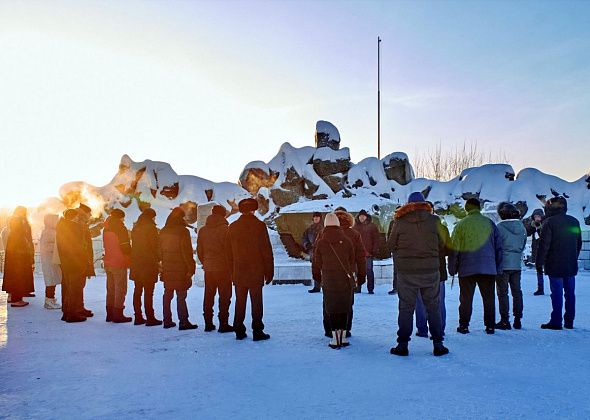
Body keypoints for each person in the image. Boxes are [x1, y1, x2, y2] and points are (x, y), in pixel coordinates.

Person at [387, 192, 448, 357]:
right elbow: (444, 245)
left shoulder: (399, 222)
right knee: (433, 308)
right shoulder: (435, 221)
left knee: (406, 308)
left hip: (407, 272)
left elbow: (390, 245)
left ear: (408, 204)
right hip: (430, 271)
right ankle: (438, 344)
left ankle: (402, 345)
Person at [448, 198, 503, 335]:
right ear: (479, 208)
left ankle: (464, 325)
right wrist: (498, 267)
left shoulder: (461, 225)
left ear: (467, 209)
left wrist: (452, 268)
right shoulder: (490, 223)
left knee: (466, 298)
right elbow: (499, 248)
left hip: (467, 268)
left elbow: (454, 249)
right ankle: (490, 326)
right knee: (489, 298)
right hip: (488, 268)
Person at [225, 198, 274, 341]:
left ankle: (239, 329)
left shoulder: (232, 227)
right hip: (256, 270)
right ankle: (257, 330)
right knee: (256, 302)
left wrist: (231, 271)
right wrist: (269, 271)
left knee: (240, 301)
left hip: (239, 270)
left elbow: (228, 252)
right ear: (253, 210)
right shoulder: (259, 226)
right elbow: (266, 250)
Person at [536, 196, 582, 330]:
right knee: (570, 293)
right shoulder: (574, 222)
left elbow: (544, 245)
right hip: (570, 263)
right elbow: (578, 242)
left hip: (554, 263)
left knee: (556, 293)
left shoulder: (549, 223)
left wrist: (539, 262)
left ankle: (556, 321)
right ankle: (569, 321)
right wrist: (573, 256)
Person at [312, 213, 355, 349]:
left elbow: (316, 263)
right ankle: (342, 337)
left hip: (329, 280)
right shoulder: (347, 241)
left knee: (332, 308)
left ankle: (335, 339)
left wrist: (319, 278)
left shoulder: (321, 242)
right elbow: (352, 260)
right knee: (344, 307)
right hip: (344, 279)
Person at [321, 210, 366, 338]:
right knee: (347, 302)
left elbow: (318, 254)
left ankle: (330, 329)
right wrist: (362, 275)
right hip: (348, 275)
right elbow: (360, 257)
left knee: (328, 302)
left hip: (329, 275)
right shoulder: (354, 234)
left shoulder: (323, 233)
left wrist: (318, 275)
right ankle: (345, 329)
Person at [414, 204, 451, 338]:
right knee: (439, 301)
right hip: (438, 269)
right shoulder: (442, 228)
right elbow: (449, 249)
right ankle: (439, 328)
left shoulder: (414, 228)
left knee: (420, 301)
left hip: (419, 270)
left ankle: (422, 329)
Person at [196, 204, 234, 333]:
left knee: (208, 295)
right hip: (223, 268)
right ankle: (223, 323)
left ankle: (208, 323)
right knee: (224, 296)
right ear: (223, 215)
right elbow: (230, 250)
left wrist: (205, 262)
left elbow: (199, 251)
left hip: (209, 268)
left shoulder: (203, 230)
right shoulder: (226, 229)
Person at [159, 207, 197, 330]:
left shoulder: (163, 231)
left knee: (167, 294)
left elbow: (159, 251)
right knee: (181, 296)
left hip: (167, 267)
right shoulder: (183, 231)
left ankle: (167, 320)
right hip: (181, 268)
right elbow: (186, 252)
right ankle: (183, 321)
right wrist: (191, 268)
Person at [495, 202, 527, 330]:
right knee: (517, 292)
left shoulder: (499, 227)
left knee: (503, 293)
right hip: (516, 264)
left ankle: (504, 320)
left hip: (503, 264)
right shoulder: (522, 227)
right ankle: (518, 319)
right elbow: (523, 244)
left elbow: (495, 246)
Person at [130, 208, 162, 326]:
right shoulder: (151, 228)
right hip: (148, 263)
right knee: (149, 292)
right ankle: (150, 317)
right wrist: (159, 259)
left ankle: (138, 316)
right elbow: (154, 246)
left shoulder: (136, 228)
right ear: (151, 217)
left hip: (136, 262)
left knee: (137, 290)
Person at [56, 209, 88, 322]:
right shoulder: (74, 228)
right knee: (75, 289)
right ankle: (72, 315)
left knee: (69, 289)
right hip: (75, 263)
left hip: (66, 262)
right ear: (74, 217)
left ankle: (67, 312)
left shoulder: (62, 227)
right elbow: (79, 247)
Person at [103, 209, 132, 323]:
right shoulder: (120, 228)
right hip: (119, 262)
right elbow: (125, 246)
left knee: (110, 289)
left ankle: (109, 314)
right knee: (120, 289)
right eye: (123, 218)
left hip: (108, 261)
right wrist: (130, 256)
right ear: (120, 218)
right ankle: (118, 314)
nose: (124, 220)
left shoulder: (106, 228)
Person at [2, 206, 35, 307]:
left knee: (16, 276)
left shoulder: (14, 230)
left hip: (16, 257)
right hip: (19, 258)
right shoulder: (18, 231)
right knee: (18, 276)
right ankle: (17, 299)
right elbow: (22, 243)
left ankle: (16, 296)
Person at [353, 209, 381, 294]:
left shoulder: (372, 226)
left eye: (363, 216)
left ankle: (370, 289)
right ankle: (358, 288)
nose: (361, 218)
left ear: (366, 217)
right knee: (358, 271)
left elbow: (376, 239)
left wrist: (374, 249)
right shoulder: (355, 226)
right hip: (358, 253)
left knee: (369, 271)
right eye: (360, 216)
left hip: (368, 253)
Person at [40, 214, 62, 310]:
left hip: (51, 259)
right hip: (50, 259)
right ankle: (49, 300)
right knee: (51, 280)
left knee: (52, 280)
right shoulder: (49, 232)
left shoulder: (49, 231)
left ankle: (50, 299)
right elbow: (48, 246)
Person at [77, 204, 95, 318]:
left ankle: (79, 307)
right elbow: (83, 244)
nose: (91, 216)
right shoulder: (80, 224)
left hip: (80, 259)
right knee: (78, 285)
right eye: (89, 213)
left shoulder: (79, 222)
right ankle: (77, 309)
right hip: (80, 259)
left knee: (78, 285)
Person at [525, 209, 546, 295]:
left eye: (539, 216)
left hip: (546, 249)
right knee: (539, 269)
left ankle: (556, 287)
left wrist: (540, 228)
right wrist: (532, 226)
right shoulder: (533, 224)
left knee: (551, 270)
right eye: (535, 216)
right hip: (537, 249)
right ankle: (540, 288)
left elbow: (545, 235)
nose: (537, 218)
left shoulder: (546, 223)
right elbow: (527, 233)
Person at [303, 212, 323, 293]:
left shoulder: (324, 228)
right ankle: (316, 287)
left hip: (322, 253)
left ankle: (325, 286)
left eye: (317, 217)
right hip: (313, 253)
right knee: (315, 270)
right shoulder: (309, 229)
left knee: (324, 271)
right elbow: (304, 238)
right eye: (314, 217)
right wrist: (306, 244)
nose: (316, 219)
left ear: (320, 218)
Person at [386, 219, 398, 295]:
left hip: (406, 251)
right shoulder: (392, 222)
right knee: (396, 270)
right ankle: (396, 287)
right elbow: (390, 235)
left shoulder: (407, 222)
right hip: (396, 251)